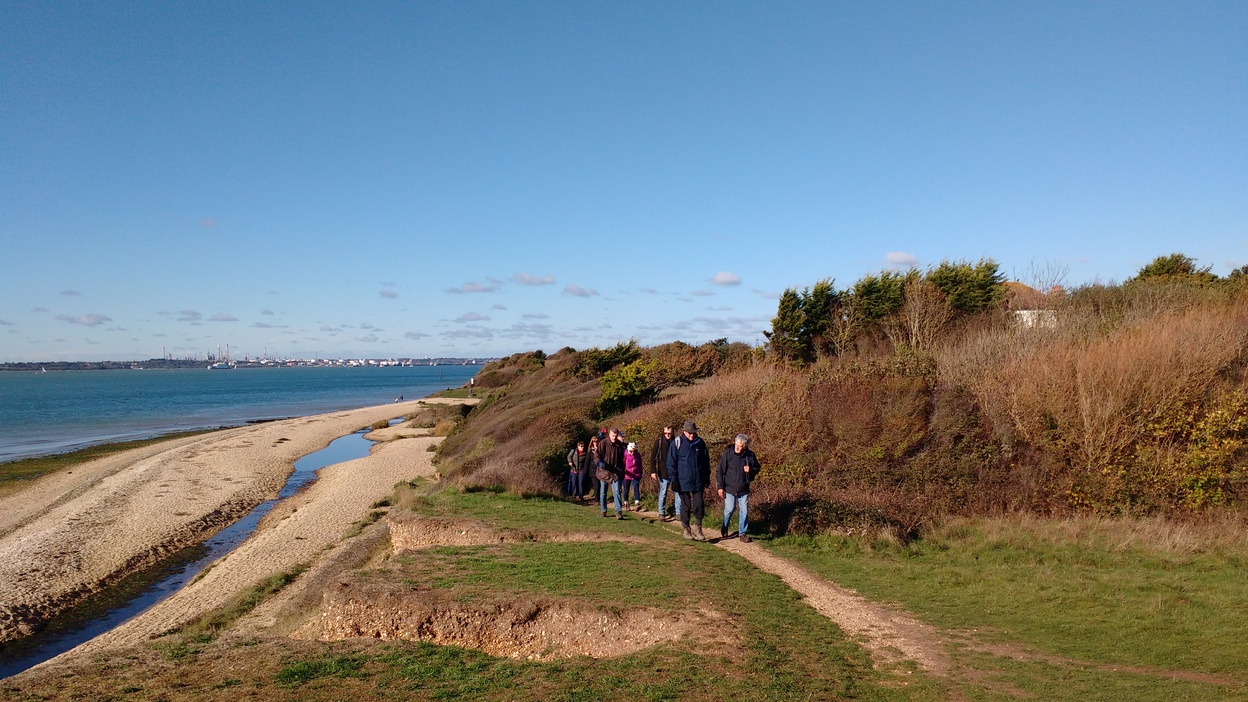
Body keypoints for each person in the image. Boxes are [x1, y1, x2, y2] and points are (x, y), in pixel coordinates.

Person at [667, 420, 711, 540]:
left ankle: (698, 528)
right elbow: (671, 463)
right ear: (684, 432)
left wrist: (707, 476)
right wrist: (674, 480)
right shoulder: (677, 443)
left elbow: (705, 461)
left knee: (699, 504)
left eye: (693, 433)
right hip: (683, 480)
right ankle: (686, 528)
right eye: (689, 433)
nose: (692, 435)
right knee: (685, 506)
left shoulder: (700, 443)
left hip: (698, 480)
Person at [717, 434, 762, 542]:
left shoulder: (750, 455)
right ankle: (725, 526)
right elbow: (720, 471)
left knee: (744, 511)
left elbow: (757, 468)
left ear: (745, 446)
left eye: (741, 446)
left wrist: (750, 470)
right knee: (729, 509)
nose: (738, 447)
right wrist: (720, 487)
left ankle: (742, 533)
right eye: (737, 445)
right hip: (729, 487)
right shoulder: (728, 453)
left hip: (743, 487)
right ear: (734, 442)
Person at [594, 427, 627, 519]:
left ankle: (618, 512)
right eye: (613, 435)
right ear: (609, 434)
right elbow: (596, 456)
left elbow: (622, 459)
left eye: (616, 436)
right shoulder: (603, 443)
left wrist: (622, 471)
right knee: (603, 492)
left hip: (615, 472)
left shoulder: (619, 444)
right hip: (604, 471)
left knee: (617, 491)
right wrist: (599, 462)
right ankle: (603, 510)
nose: (614, 437)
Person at [650, 425, 679, 521]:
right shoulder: (658, 442)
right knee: (663, 492)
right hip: (663, 472)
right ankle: (661, 512)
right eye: (665, 433)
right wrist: (653, 471)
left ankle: (678, 513)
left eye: (669, 433)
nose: (667, 435)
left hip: (675, 471)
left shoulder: (677, 442)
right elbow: (653, 458)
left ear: (673, 433)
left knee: (678, 492)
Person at [623, 442, 643, 511]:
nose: (632, 453)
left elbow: (640, 464)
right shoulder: (625, 455)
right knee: (626, 489)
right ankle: (626, 502)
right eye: (630, 451)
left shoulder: (637, 455)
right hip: (627, 475)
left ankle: (637, 503)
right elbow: (623, 464)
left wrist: (640, 473)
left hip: (636, 474)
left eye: (633, 451)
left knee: (636, 487)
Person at [586, 436, 600, 501]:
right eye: (594, 441)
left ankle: (600, 498)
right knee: (596, 485)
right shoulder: (590, 451)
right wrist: (585, 472)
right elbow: (587, 462)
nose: (595, 442)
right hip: (593, 470)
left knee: (600, 485)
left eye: (596, 441)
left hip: (600, 470)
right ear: (592, 442)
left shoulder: (600, 450)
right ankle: (597, 499)